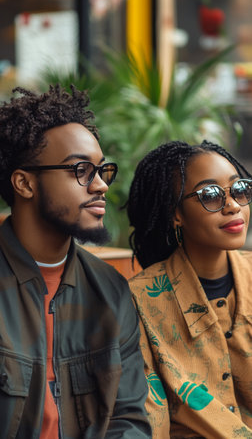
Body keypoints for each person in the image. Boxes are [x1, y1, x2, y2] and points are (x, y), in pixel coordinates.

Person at [0, 84, 152, 439]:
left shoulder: (110, 290)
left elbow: (128, 419)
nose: (100, 185)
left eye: (102, 170)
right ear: (24, 183)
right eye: (80, 170)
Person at [127, 139, 252, 439]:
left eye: (239, 189)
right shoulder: (139, 300)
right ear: (175, 213)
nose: (233, 205)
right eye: (210, 195)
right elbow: (147, 414)